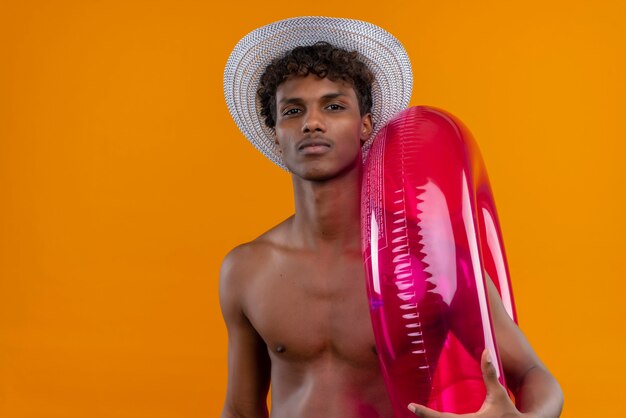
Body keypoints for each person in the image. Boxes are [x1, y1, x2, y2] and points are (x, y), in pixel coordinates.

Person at [220, 17, 563, 418]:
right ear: (277, 132)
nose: (312, 122)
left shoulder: (429, 259)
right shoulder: (245, 268)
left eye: (333, 106)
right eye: (293, 111)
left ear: (364, 125)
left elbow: (536, 375)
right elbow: (241, 410)